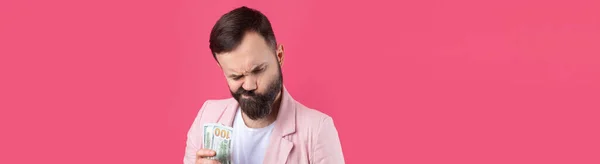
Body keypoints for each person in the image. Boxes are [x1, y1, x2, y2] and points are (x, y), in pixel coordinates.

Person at [183, 6, 345, 164]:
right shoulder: (207, 116)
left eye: (258, 70)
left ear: (279, 56)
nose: (249, 85)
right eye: (236, 76)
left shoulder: (317, 130)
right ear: (222, 69)